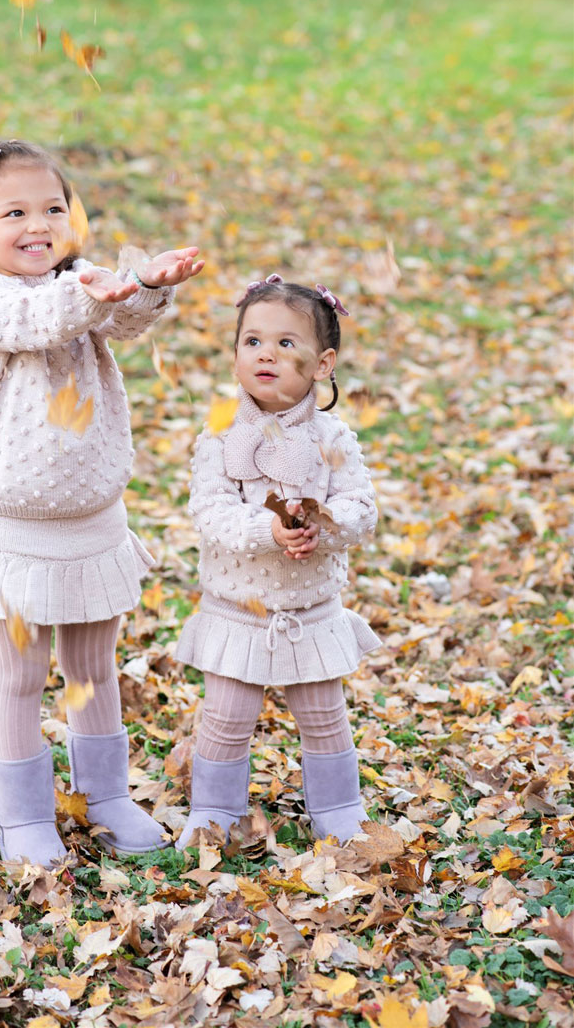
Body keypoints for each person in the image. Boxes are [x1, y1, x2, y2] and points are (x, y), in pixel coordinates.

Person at [0, 135, 204, 866]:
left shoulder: (85, 281)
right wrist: (91, 290)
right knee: (21, 677)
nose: (38, 225)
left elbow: (126, 319)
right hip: (18, 530)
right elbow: (42, 320)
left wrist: (148, 283)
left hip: (92, 521)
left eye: (53, 208)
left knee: (92, 671)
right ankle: (24, 815)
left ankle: (105, 794)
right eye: (15, 211)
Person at [175, 274, 380, 848]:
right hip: (238, 607)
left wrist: (326, 523)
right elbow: (208, 512)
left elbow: (362, 507)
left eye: (287, 344)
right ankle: (213, 811)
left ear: (322, 363)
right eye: (253, 342)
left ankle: (339, 811)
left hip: (308, 610)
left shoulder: (332, 435)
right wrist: (267, 530)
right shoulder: (219, 435)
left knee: (322, 714)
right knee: (226, 716)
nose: (267, 353)